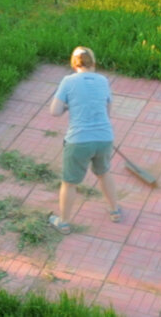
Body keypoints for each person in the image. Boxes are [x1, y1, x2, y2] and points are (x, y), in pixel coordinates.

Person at [47, 46, 122, 234]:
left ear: (74, 64)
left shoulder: (68, 81)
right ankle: (115, 211)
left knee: (69, 182)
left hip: (78, 141)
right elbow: (108, 111)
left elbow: (54, 111)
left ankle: (63, 222)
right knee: (104, 173)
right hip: (104, 138)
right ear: (93, 63)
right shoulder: (103, 81)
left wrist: (67, 107)